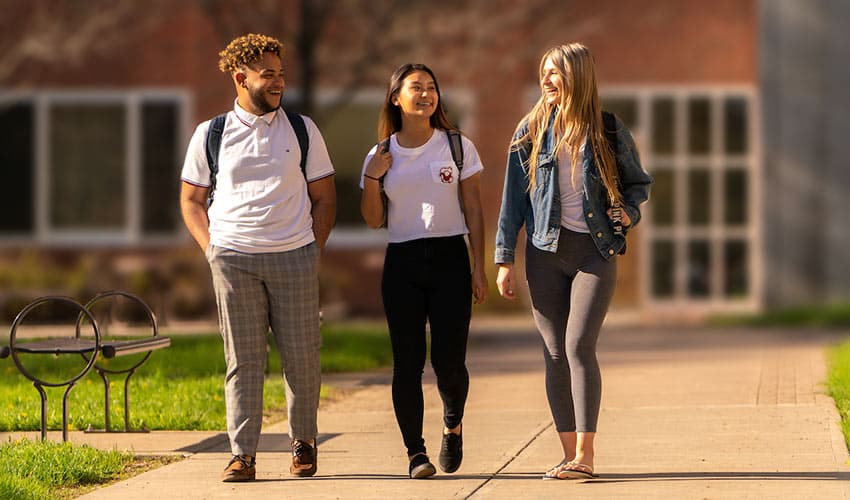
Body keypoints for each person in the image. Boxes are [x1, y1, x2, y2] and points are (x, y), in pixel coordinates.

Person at [179, 33, 336, 482]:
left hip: (295, 256)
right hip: (234, 259)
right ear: (240, 78)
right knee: (243, 361)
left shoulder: (303, 130)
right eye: (268, 75)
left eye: (281, 75)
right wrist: (212, 251)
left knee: (302, 358)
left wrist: (311, 249)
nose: (278, 83)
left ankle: (303, 443)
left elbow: (324, 198)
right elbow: (191, 199)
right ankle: (242, 454)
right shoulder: (210, 134)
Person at [494, 43, 652, 480]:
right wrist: (504, 259)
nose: (546, 80)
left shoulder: (610, 130)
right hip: (544, 253)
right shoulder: (528, 131)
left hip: (594, 252)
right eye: (543, 72)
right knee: (553, 354)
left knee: (578, 345)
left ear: (577, 77)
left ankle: (586, 454)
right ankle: (568, 456)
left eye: (555, 73)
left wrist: (629, 211)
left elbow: (638, 183)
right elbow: (512, 202)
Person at [360, 63, 488, 479]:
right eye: (416, 87)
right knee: (407, 363)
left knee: (449, 363)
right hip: (403, 262)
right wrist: (371, 179)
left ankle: (453, 425)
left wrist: (478, 267)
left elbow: (473, 208)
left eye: (431, 87)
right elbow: (373, 220)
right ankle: (416, 453)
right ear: (395, 97)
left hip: (451, 258)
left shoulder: (456, 146)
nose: (426, 94)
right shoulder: (380, 154)